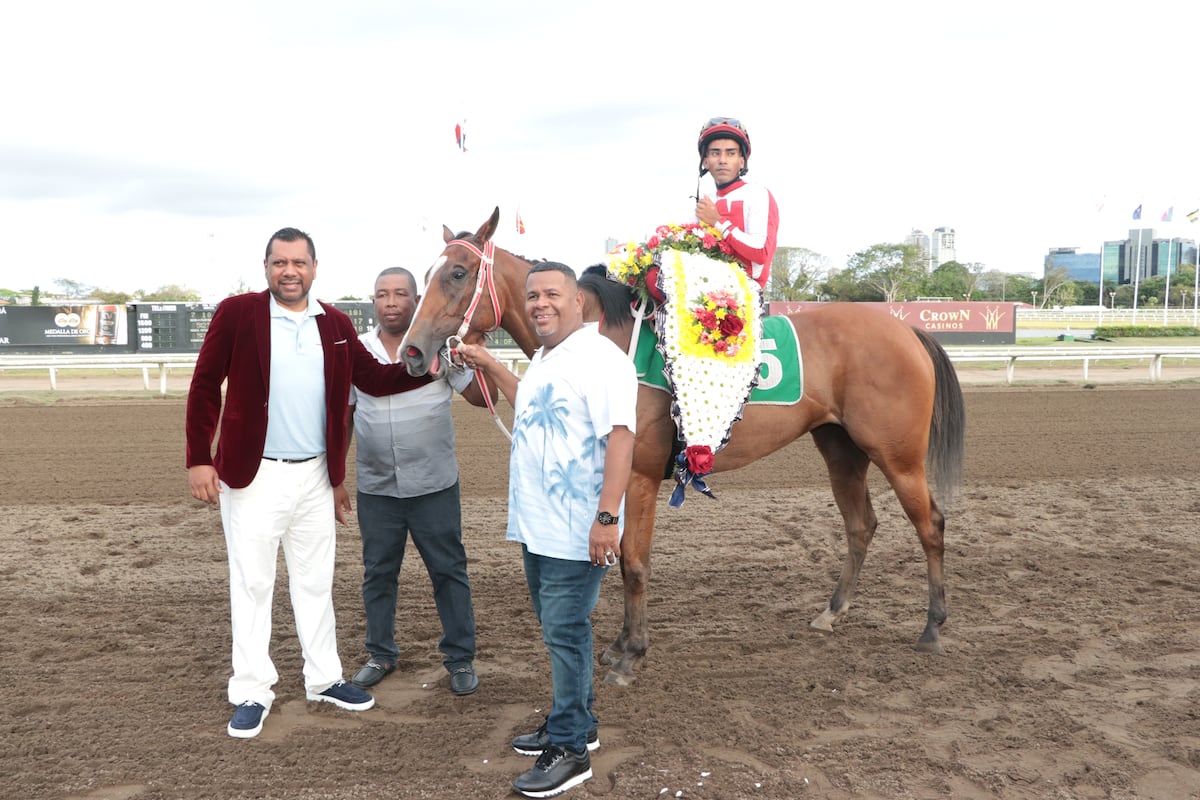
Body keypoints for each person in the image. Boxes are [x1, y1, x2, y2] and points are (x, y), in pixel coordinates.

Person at [186, 227, 431, 740]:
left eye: (299, 262)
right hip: (252, 477)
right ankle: (252, 690)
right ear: (266, 267)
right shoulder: (237, 313)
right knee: (253, 586)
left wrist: (428, 367)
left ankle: (323, 679)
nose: (289, 271)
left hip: (316, 476)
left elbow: (375, 379)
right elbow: (205, 385)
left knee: (315, 583)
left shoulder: (335, 323)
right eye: (280, 262)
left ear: (314, 268)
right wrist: (199, 459)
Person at [456, 262, 637, 799]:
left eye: (552, 294)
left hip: (578, 528)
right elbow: (534, 405)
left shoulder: (600, 358)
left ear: (578, 301)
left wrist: (607, 519)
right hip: (539, 525)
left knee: (565, 631)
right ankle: (576, 722)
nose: (540, 304)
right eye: (533, 295)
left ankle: (571, 750)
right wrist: (490, 363)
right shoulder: (545, 356)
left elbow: (622, 438)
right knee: (560, 628)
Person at [346, 267, 493, 696]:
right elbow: (345, 413)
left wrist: (473, 358)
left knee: (448, 571)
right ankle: (380, 653)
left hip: (434, 487)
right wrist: (336, 478)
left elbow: (481, 399)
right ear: (374, 302)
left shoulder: (442, 347)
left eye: (400, 294)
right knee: (378, 574)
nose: (391, 302)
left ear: (416, 300)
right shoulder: (358, 350)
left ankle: (460, 658)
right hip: (377, 489)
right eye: (382, 294)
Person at [693, 116, 779, 290]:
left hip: (746, 293)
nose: (722, 160)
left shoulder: (757, 193)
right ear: (705, 161)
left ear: (742, 161)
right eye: (715, 153)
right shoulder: (703, 200)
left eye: (731, 153)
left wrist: (718, 222)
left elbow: (761, 252)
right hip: (703, 290)